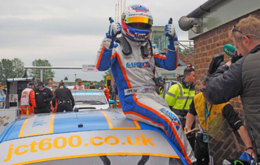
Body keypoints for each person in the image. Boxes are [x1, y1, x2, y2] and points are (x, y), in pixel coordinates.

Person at [96, 4, 195, 164]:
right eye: (135, 23)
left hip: (153, 96)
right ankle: (191, 162)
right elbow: (101, 66)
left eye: (143, 23)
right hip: (132, 98)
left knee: (167, 130)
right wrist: (109, 38)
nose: (139, 27)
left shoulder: (150, 47)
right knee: (172, 121)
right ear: (125, 22)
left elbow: (170, 65)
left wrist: (173, 42)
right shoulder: (116, 46)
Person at [204, 15, 260, 162]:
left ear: (246, 40)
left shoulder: (244, 65)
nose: (238, 53)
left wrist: (226, 66)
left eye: (237, 47)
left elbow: (212, 93)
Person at [185, 75, 253, 165]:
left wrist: (249, 147)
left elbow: (238, 125)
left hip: (217, 141)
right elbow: (191, 113)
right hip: (202, 138)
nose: (205, 94)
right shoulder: (197, 98)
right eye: (202, 90)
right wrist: (188, 127)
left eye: (207, 90)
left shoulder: (223, 103)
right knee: (198, 161)